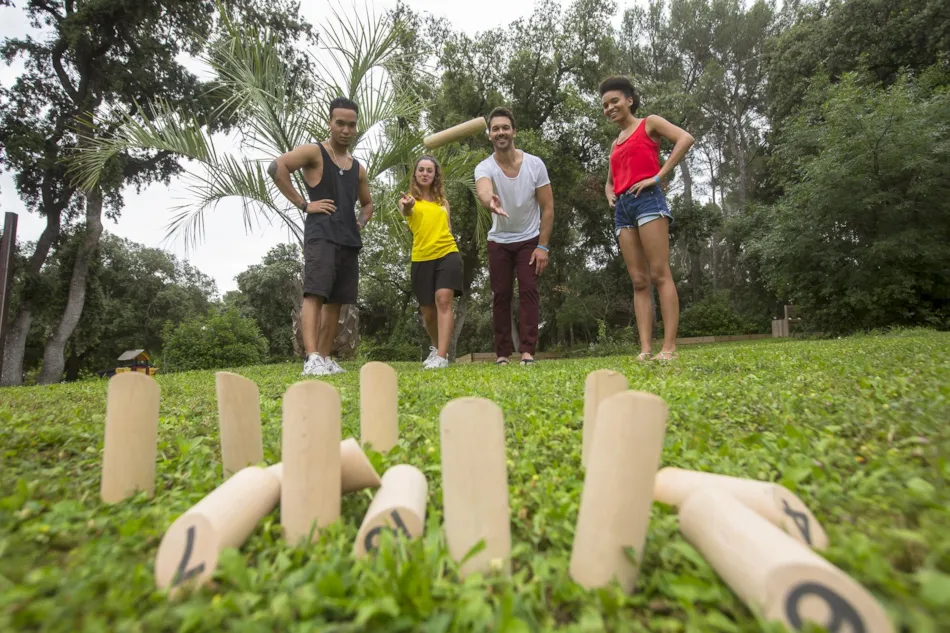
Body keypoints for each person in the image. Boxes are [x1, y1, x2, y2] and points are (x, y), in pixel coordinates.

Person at [267, 97, 374, 377]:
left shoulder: (358, 168)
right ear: (330, 123)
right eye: (340, 123)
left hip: (348, 240)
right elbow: (277, 168)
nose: (346, 130)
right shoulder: (314, 152)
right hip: (321, 235)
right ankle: (311, 357)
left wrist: (360, 221)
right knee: (315, 294)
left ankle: (325, 358)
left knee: (336, 301)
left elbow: (368, 204)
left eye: (351, 125)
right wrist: (304, 204)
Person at [600, 76, 694, 362]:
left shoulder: (648, 123)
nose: (609, 107)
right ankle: (645, 349)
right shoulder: (615, 144)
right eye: (605, 105)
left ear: (629, 100)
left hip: (648, 201)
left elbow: (685, 139)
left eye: (614, 101)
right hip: (623, 209)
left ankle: (669, 348)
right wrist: (609, 194)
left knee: (659, 274)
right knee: (639, 281)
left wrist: (657, 176)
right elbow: (610, 181)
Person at [474, 107, 554, 366]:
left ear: (514, 131)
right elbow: (484, 188)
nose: (500, 132)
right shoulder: (484, 167)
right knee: (501, 294)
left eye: (505, 127)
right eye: (495, 128)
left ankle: (528, 351)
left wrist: (543, 246)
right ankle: (503, 354)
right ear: (489, 135)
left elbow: (548, 207)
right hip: (499, 239)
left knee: (529, 290)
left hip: (529, 238)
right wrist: (490, 201)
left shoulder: (534, 165)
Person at [398, 155, 464, 369]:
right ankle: (436, 348)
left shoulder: (443, 203)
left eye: (429, 170)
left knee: (443, 300)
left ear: (435, 175)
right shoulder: (407, 200)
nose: (425, 173)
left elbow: (449, 229)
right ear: (415, 174)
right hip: (422, 258)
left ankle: (443, 357)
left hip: (448, 253)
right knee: (428, 313)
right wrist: (408, 206)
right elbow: (406, 211)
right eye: (421, 170)